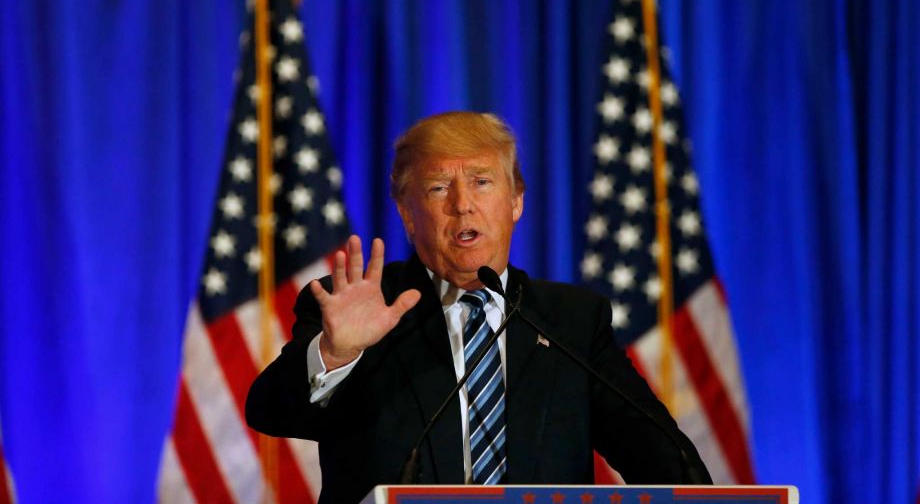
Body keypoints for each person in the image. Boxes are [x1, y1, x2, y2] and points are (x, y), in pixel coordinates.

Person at [246, 111, 711, 503]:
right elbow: (271, 412)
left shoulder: (571, 320)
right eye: (437, 189)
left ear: (516, 202)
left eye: (482, 182)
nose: (463, 205)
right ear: (408, 214)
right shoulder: (361, 307)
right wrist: (336, 353)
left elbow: (662, 457)